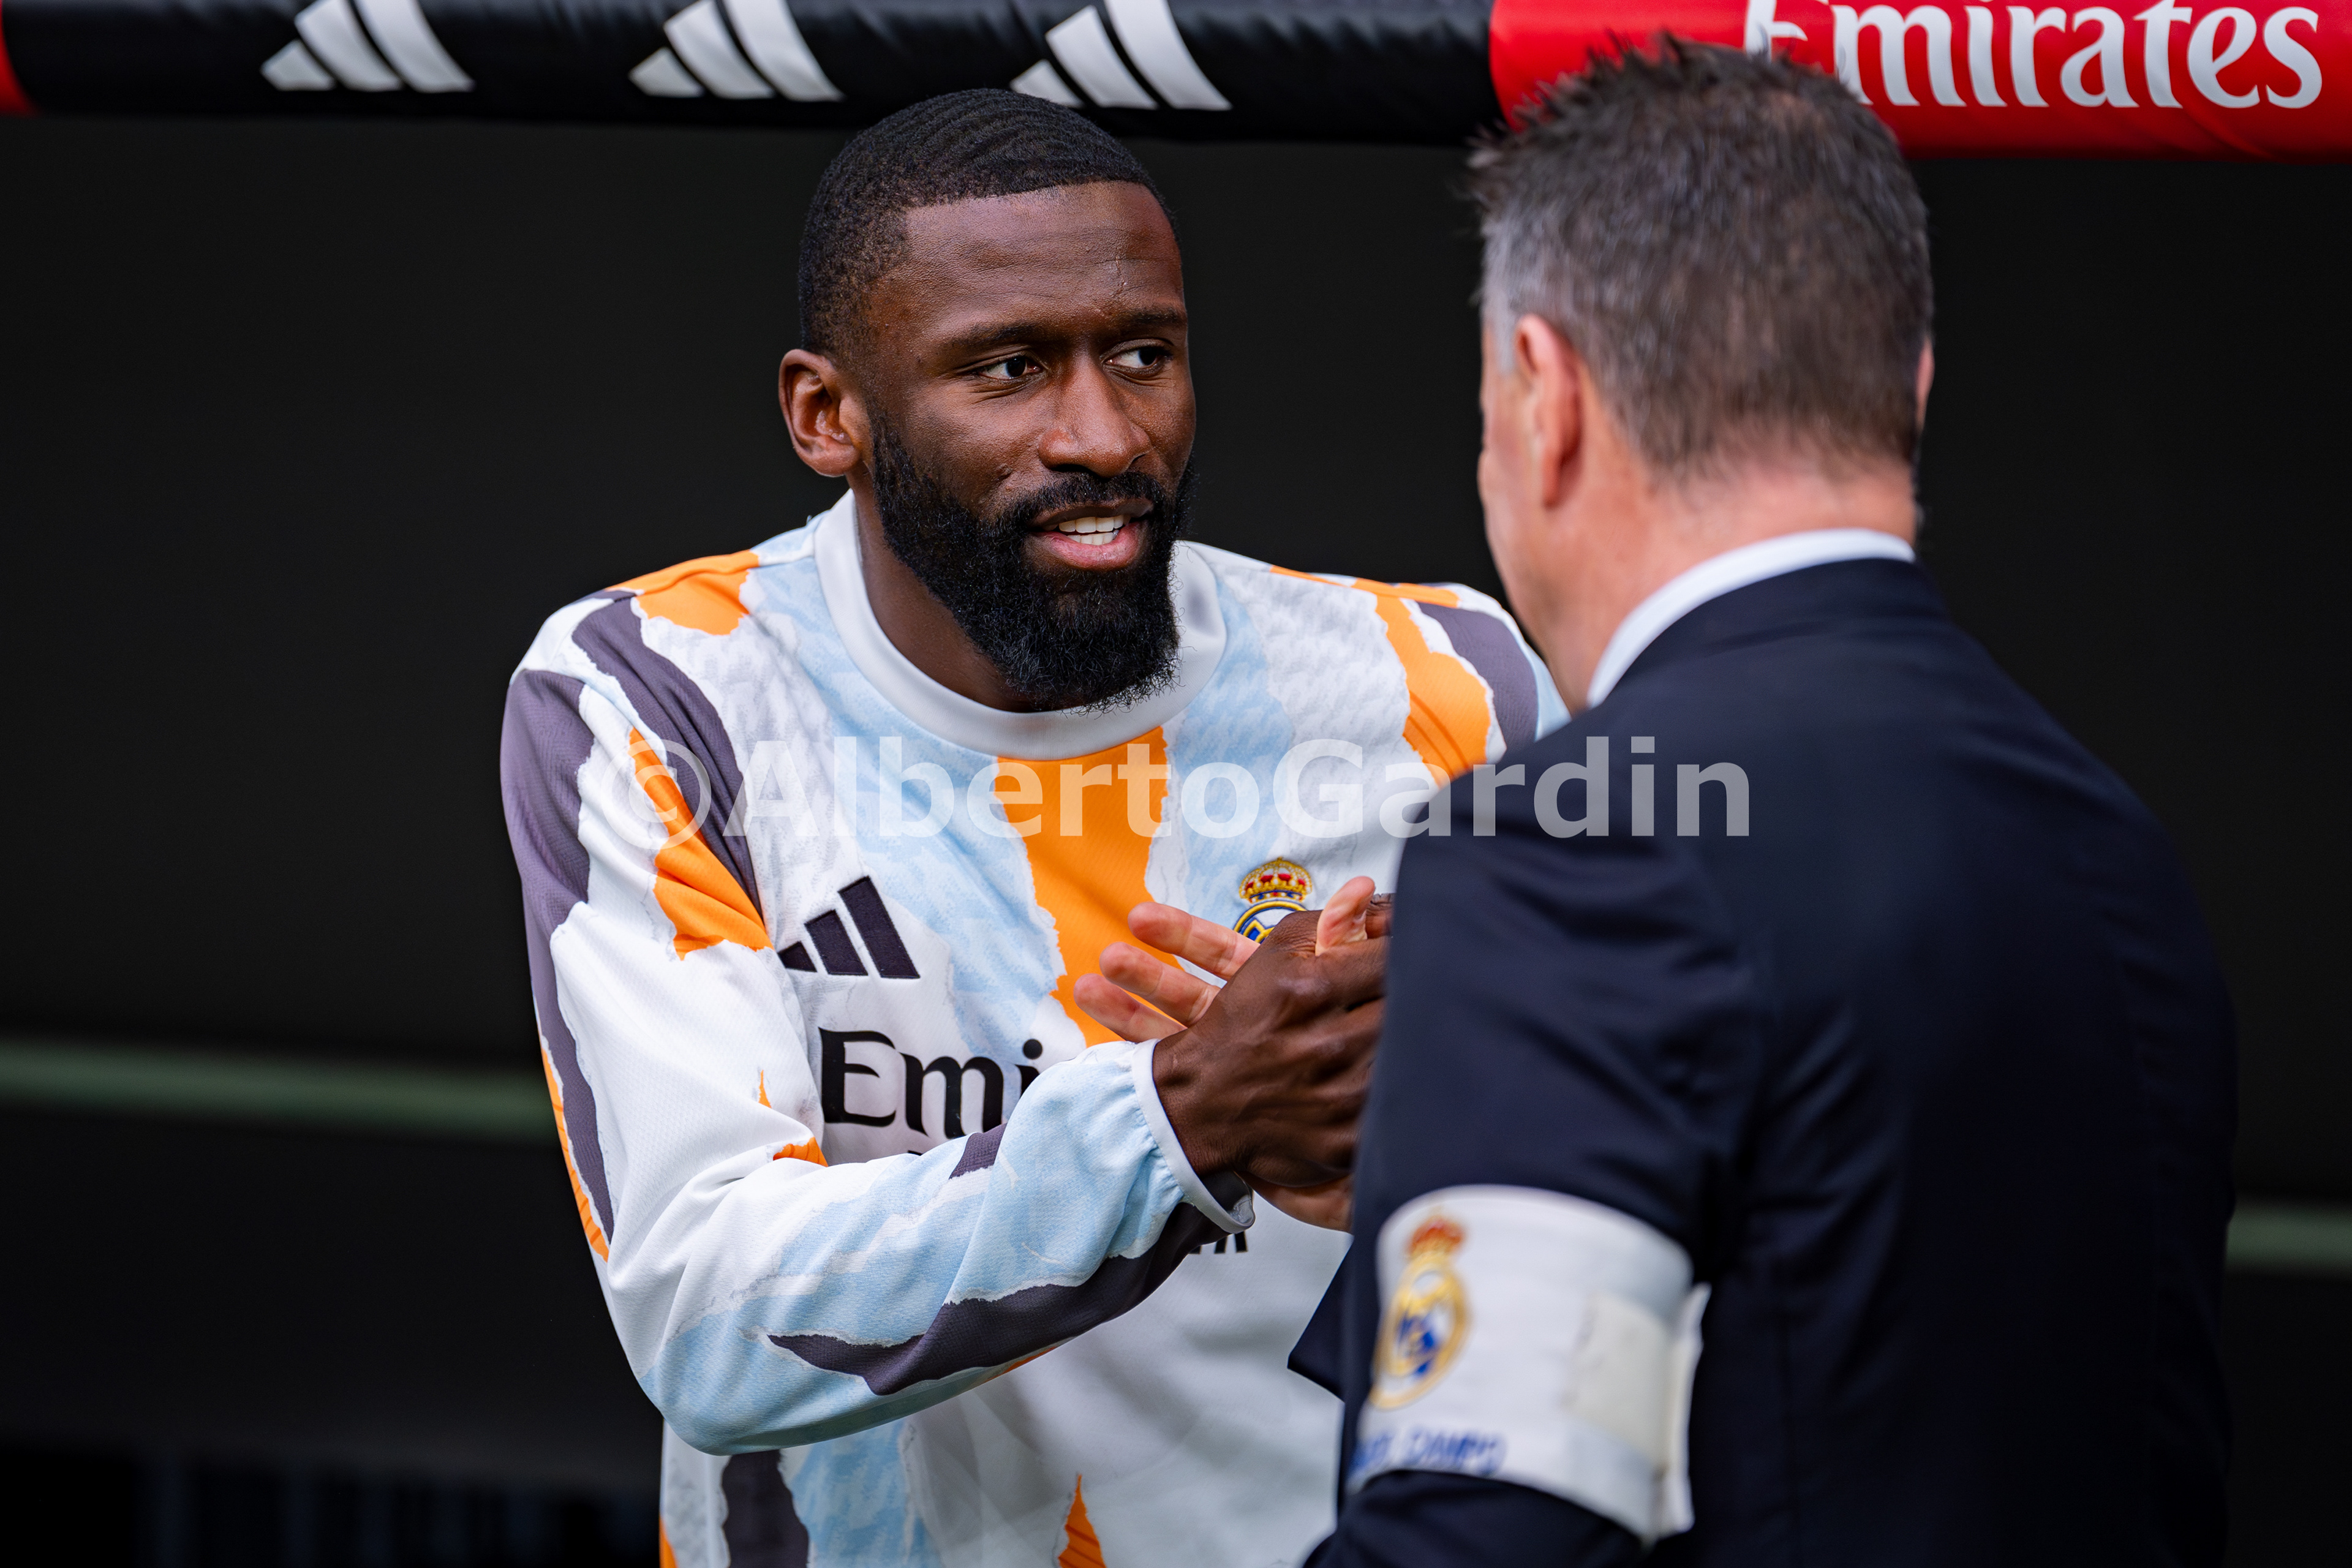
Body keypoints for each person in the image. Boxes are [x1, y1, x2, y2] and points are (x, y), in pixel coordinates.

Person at [496, 90, 1562, 1568]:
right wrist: (1186, 1117)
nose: (1103, 434)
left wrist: (1418, 1158)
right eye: (1007, 368)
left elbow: (1611, 1218)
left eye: (1144, 354)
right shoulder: (667, 692)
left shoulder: (1443, 681)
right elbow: (710, 1317)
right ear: (826, 414)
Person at [1291, 43, 2235, 1567]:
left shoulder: (1576, 834)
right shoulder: (2116, 843)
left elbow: (1487, 1532)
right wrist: (1449, 1146)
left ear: (1545, 397)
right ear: (1912, 385)